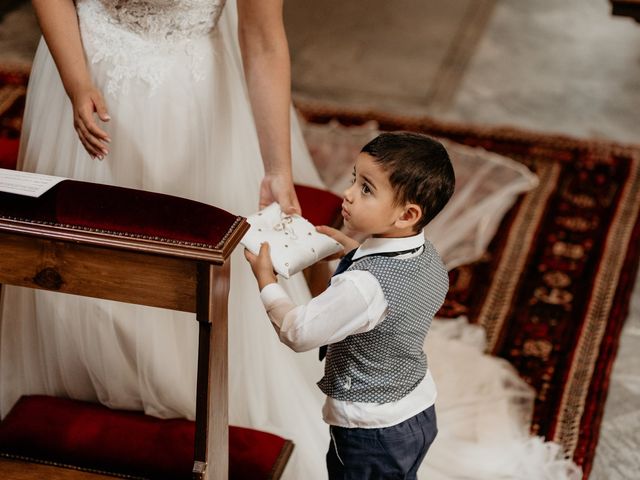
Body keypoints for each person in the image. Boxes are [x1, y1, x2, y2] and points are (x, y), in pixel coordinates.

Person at [1, 0, 329, 477]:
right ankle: (78, 376)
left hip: (192, 96)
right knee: (78, 247)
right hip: (84, 64)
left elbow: (262, 40)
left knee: (188, 252)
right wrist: (77, 83)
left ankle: (188, 389)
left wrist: (278, 170)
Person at [246, 132, 455, 479]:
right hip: (416, 410)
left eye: (366, 189)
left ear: (406, 215)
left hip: (369, 431)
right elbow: (394, 290)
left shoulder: (364, 285)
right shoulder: (428, 257)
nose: (349, 192)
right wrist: (355, 254)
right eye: (354, 180)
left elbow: (298, 331)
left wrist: (266, 279)